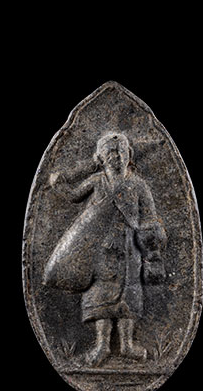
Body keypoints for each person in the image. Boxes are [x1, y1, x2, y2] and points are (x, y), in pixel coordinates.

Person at [44, 132, 167, 366]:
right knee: (100, 294)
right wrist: (59, 183)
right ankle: (101, 345)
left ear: (129, 155)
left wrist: (153, 244)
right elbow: (73, 195)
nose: (116, 157)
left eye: (121, 152)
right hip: (100, 250)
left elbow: (149, 217)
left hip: (130, 249)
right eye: (110, 153)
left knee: (129, 294)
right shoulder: (97, 181)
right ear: (100, 158)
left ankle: (127, 345)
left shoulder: (138, 185)